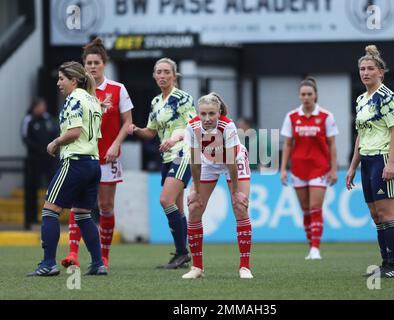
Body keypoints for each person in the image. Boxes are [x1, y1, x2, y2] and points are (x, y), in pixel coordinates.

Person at [27, 61, 106, 276]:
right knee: (83, 215)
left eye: (62, 78)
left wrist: (54, 142)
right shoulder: (93, 99)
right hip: (92, 164)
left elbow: (74, 131)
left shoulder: (74, 98)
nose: (58, 82)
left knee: (49, 210)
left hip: (76, 162)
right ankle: (98, 264)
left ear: (74, 80)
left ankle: (48, 264)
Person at [61, 38, 134, 270]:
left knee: (105, 207)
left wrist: (115, 144)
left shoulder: (117, 89)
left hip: (107, 158)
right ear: (83, 66)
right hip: (83, 157)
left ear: (105, 64)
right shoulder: (78, 93)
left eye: (97, 62)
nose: (93, 66)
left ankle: (104, 257)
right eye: (89, 63)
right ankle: (73, 253)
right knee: (77, 205)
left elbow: (128, 123)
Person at [128, 58, 195, 269]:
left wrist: (174, 139)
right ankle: (183, 253)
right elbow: (151, 131)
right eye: (159, 72)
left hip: (182, 154)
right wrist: (136, 130)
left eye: (167, 72)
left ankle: (182, 252)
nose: (162, 75)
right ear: (154, 76)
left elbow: (194, 127)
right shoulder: (156, 102)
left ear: (174, 76)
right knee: (178, 207)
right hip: (167, 157)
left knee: (165, 200)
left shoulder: (183, 99)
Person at [346, 45, 394, 278]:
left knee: (386, 212)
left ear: (381, 72)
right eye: (362, 68)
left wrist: (390, 163)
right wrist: (352, 166)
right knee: (374, 214)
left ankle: (393, 266)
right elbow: (361, 134)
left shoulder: (387, 97)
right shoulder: (361, 99)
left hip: (382, 158)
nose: (365, 72)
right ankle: (384, 262)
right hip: (367, 160)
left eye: (370, 68)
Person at [181, 93, 253, 279]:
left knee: (240, 206)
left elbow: (230, 163)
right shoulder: (192, 127)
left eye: (211, 113)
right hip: (208, 163)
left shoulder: (227, 126)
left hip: (233, 162)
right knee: (194, 207)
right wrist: (195, 190)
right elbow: (195, 162)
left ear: (219, 112)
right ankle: (197, 268)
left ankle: (244, 267)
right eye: (203, 114)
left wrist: (236, 192)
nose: (207, 119)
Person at [280, 77, 338, 260]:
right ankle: (310, 245)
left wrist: (333, 169)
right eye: (303, 94)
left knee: (315, 207)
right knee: (305, 209)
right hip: (298, 168)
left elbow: (332, 145)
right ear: (299, 96)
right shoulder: (291, 117)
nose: (306, 97)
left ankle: (315, 248)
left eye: (309, 94)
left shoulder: (326, 117)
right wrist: (283, 169)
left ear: (316, 95)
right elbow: (288, 144)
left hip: (319, 168)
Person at [21, 98, 59, 226]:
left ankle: (53, 215)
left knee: (53, 187)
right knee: (32, 189)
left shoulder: (48, 119)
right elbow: (25, 138)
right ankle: (31, 219)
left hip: (49, 160)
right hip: (34, 161)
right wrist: (39, 149)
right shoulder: (29, 119)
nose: (44, 109)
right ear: (35, 107)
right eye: (41, 106)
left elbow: (56, 132)